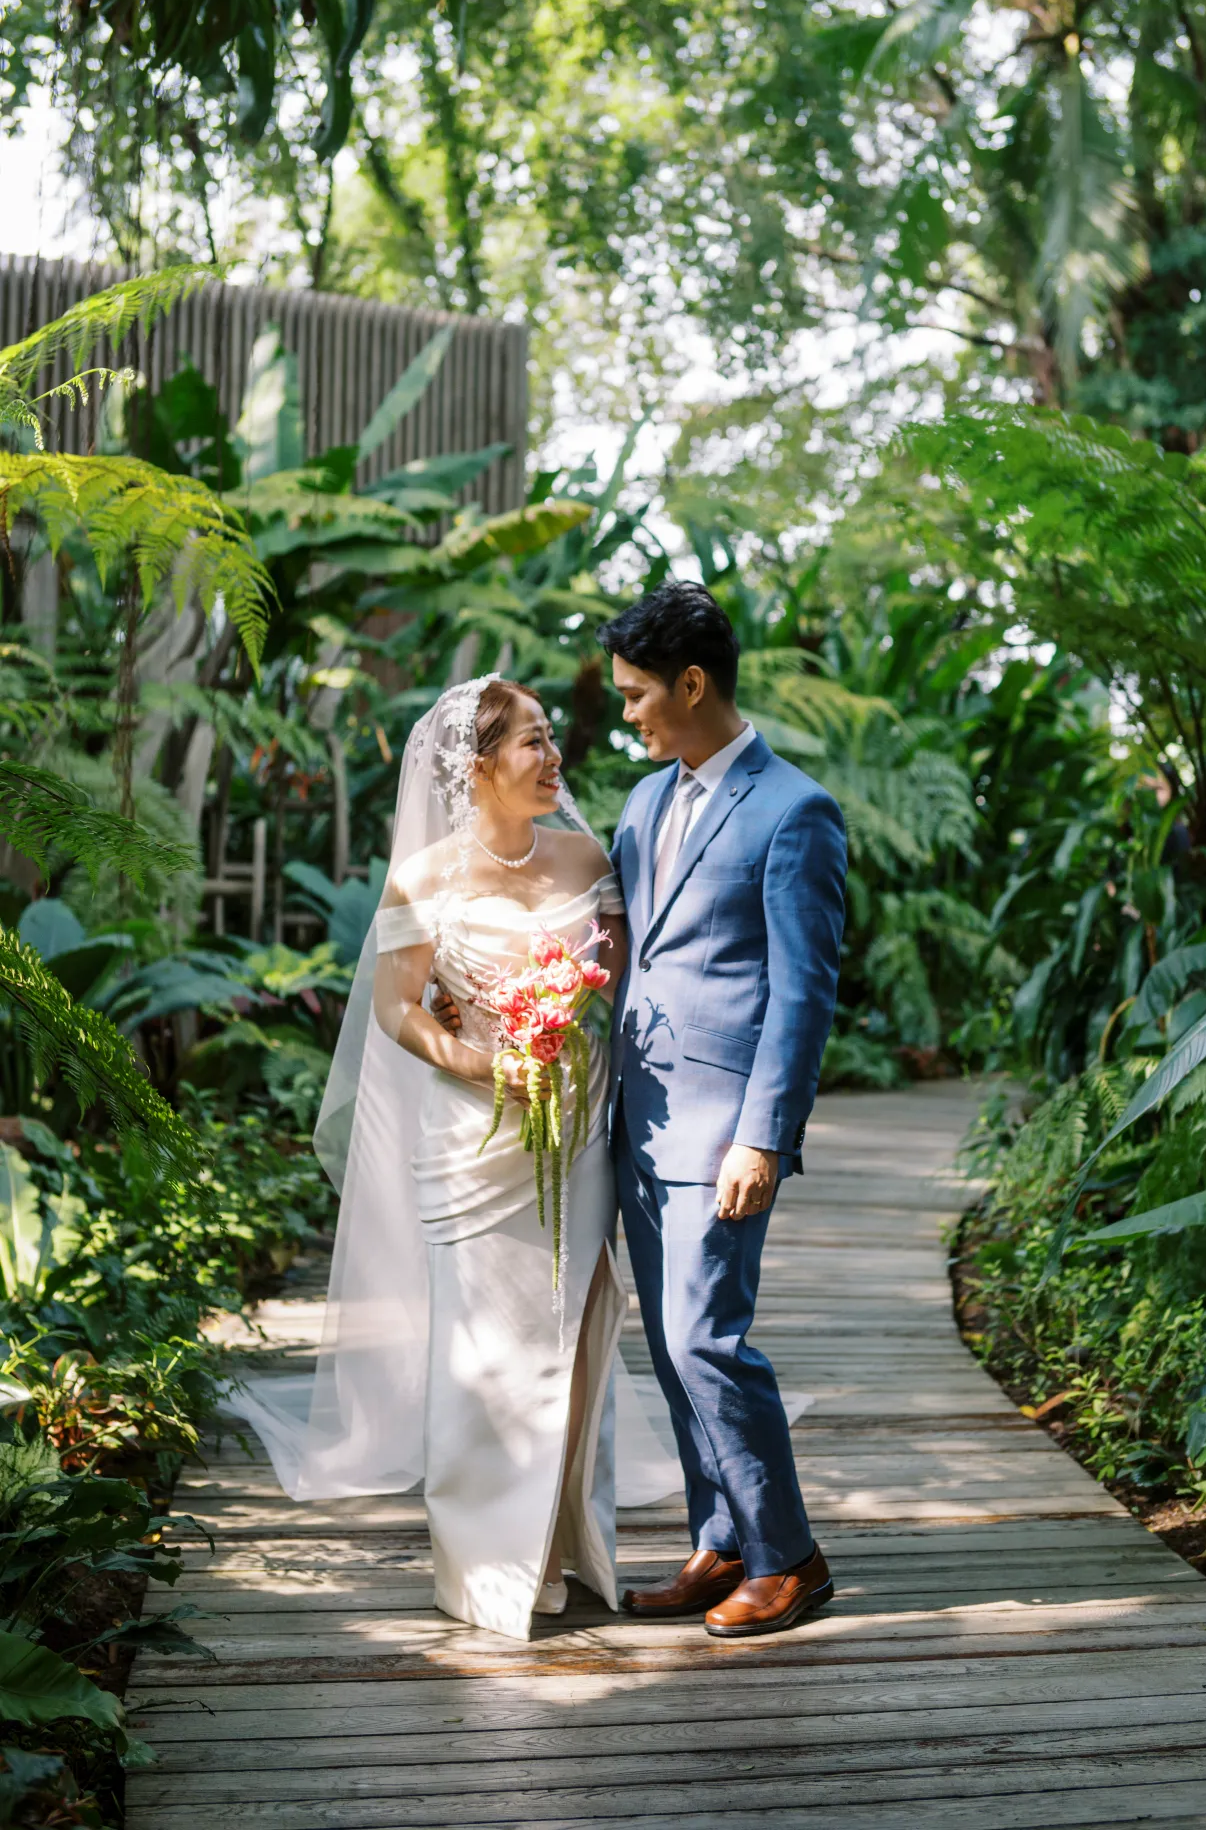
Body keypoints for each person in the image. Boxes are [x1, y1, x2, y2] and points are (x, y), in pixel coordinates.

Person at [230, 675, 677, 1642]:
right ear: (476, 768)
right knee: (480, 1347)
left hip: (577, 1130)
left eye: (553, 739)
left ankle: (564, 1553)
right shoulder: (418, 879)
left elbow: (624, 985)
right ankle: (484, 1566)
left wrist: (570, 1042)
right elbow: (395, 1008)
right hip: (469, 1135)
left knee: (573, 1331)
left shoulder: (587, 858)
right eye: (533, 743)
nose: (555, 757)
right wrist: (477, 1060)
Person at [597, 580, 847, 1638]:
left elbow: (803, 989)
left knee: (707, 1338)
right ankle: (721, 1537)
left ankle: (789, 1555)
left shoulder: (796, 810)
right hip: (638, 1123)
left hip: (722, 1131)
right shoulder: (644, 800)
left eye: (635, 693)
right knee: (667, 1339)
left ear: (691, 683)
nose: (624, 713)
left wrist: (764, 1132)